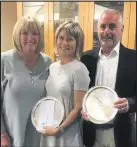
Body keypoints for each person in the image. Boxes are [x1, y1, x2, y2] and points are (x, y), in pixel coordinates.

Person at [80, 9, 136, 147]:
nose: (107, 31)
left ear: (121, 29)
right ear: (97, 29)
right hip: (91, 135)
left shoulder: (133, 58)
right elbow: (81, 94)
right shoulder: (86, 59)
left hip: (120, 135)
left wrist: (129, 103)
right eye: (103, 26)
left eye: (112, 26)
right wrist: (82, 108)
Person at [1, 16, 52, 147]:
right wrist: (2, 134)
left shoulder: (48, 62)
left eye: (35, 33)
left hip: (41, 137)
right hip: (12, 138)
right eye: (25, 33)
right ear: (17, 35)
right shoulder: (4, 60)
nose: (30, 38)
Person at [38, 21, 90, 147]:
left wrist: (59, 129)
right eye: (61, 38)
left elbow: (78, 108)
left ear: (77, 43)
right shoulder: (52, 66)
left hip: (67, 134)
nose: (64, 43)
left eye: (70, 39)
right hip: (50, 127)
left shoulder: (79, 69)